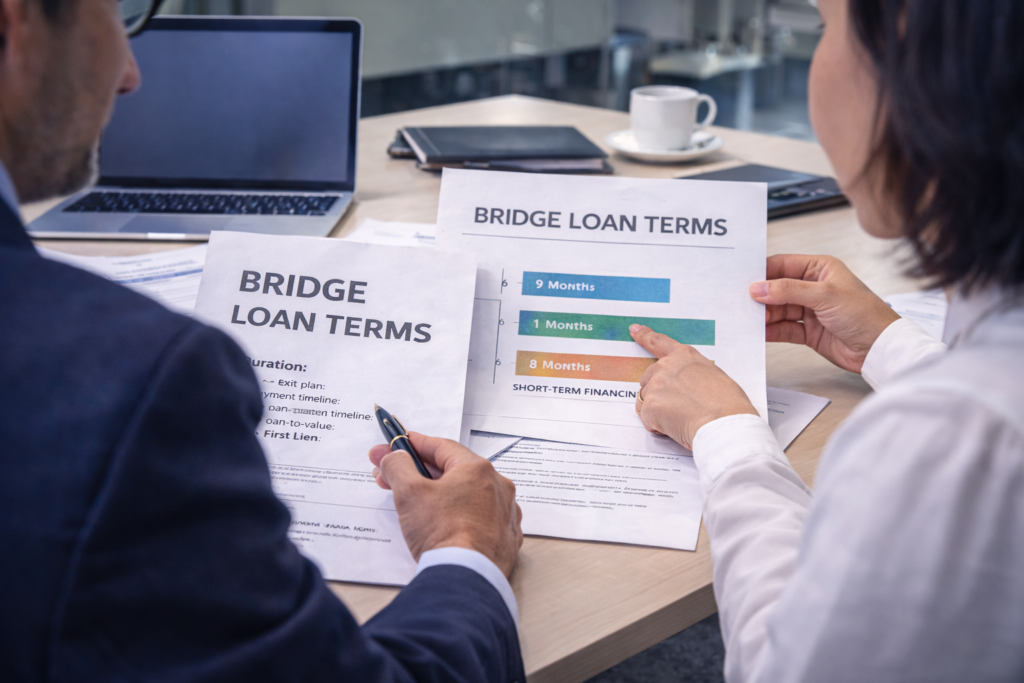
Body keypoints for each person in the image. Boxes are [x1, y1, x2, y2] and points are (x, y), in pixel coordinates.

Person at [0, 1, 525, 680]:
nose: (130, 77)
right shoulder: (135, 382)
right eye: (117, 16)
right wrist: (465, 549)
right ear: (15, 25)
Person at [629, 0, 1024, 680]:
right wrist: (888, 345)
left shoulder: (950, 445)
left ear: (916, 55)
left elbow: (786, 665)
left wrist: (726, 432)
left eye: (824, 26)